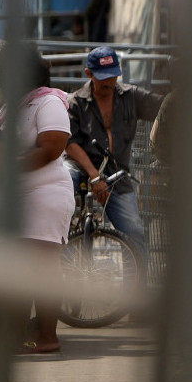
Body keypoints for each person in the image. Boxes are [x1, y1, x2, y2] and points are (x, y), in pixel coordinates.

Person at [0, 48, 72, 354]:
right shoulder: (11, 106)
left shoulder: (49, 101)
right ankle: (14, 336)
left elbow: (52, 147)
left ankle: (47, 337)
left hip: (44, 195)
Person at [64, 46, 166, 256]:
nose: (109, 82)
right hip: (81, 168)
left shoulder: (131, 96)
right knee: (61, 202)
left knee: (134, 234)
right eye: (102, 78)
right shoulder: (75, 102)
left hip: (116, 173)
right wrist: (93, 175)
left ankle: (137, 286)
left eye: (113, 76)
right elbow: (70, 143)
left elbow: (164, 108)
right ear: (89, 74)